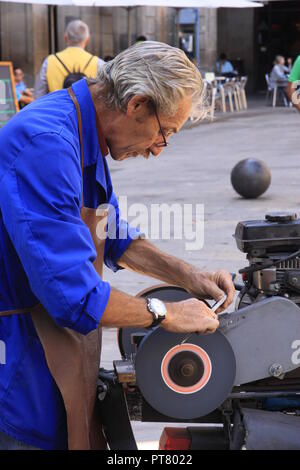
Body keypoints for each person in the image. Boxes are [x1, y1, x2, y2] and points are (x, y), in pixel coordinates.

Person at [0, 41, 235, 450]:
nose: (158, 150)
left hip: (58, 352)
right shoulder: (46, 144)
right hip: (20, 370)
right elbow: (73, 297)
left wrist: (189, 276)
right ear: (137, 104)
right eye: (165, 132)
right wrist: (165, 312)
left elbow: (112, 234)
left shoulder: (83, 130)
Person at [34, 19, 104, 99]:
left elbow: (38, 96)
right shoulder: (98, 63)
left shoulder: (49, 62)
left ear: (65, 38)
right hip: (88, 111)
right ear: (87, 40)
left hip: (57, 110)